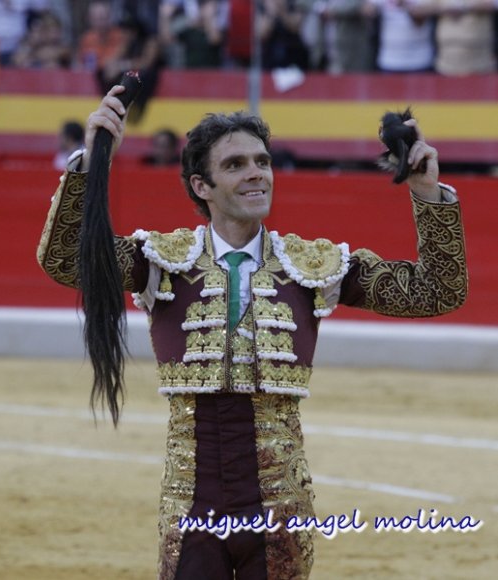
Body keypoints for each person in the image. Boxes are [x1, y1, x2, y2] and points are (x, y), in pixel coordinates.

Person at [36, 85, 468, 579]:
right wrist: (90, 164)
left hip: (281, 504)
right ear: (202, 186)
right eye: (236, 164)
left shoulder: (312, 265)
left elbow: (435, 291)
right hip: (192, 504)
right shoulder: (162, 260)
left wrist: (426, 192)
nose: (256, 172)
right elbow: (65, 258)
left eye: (261, 161)